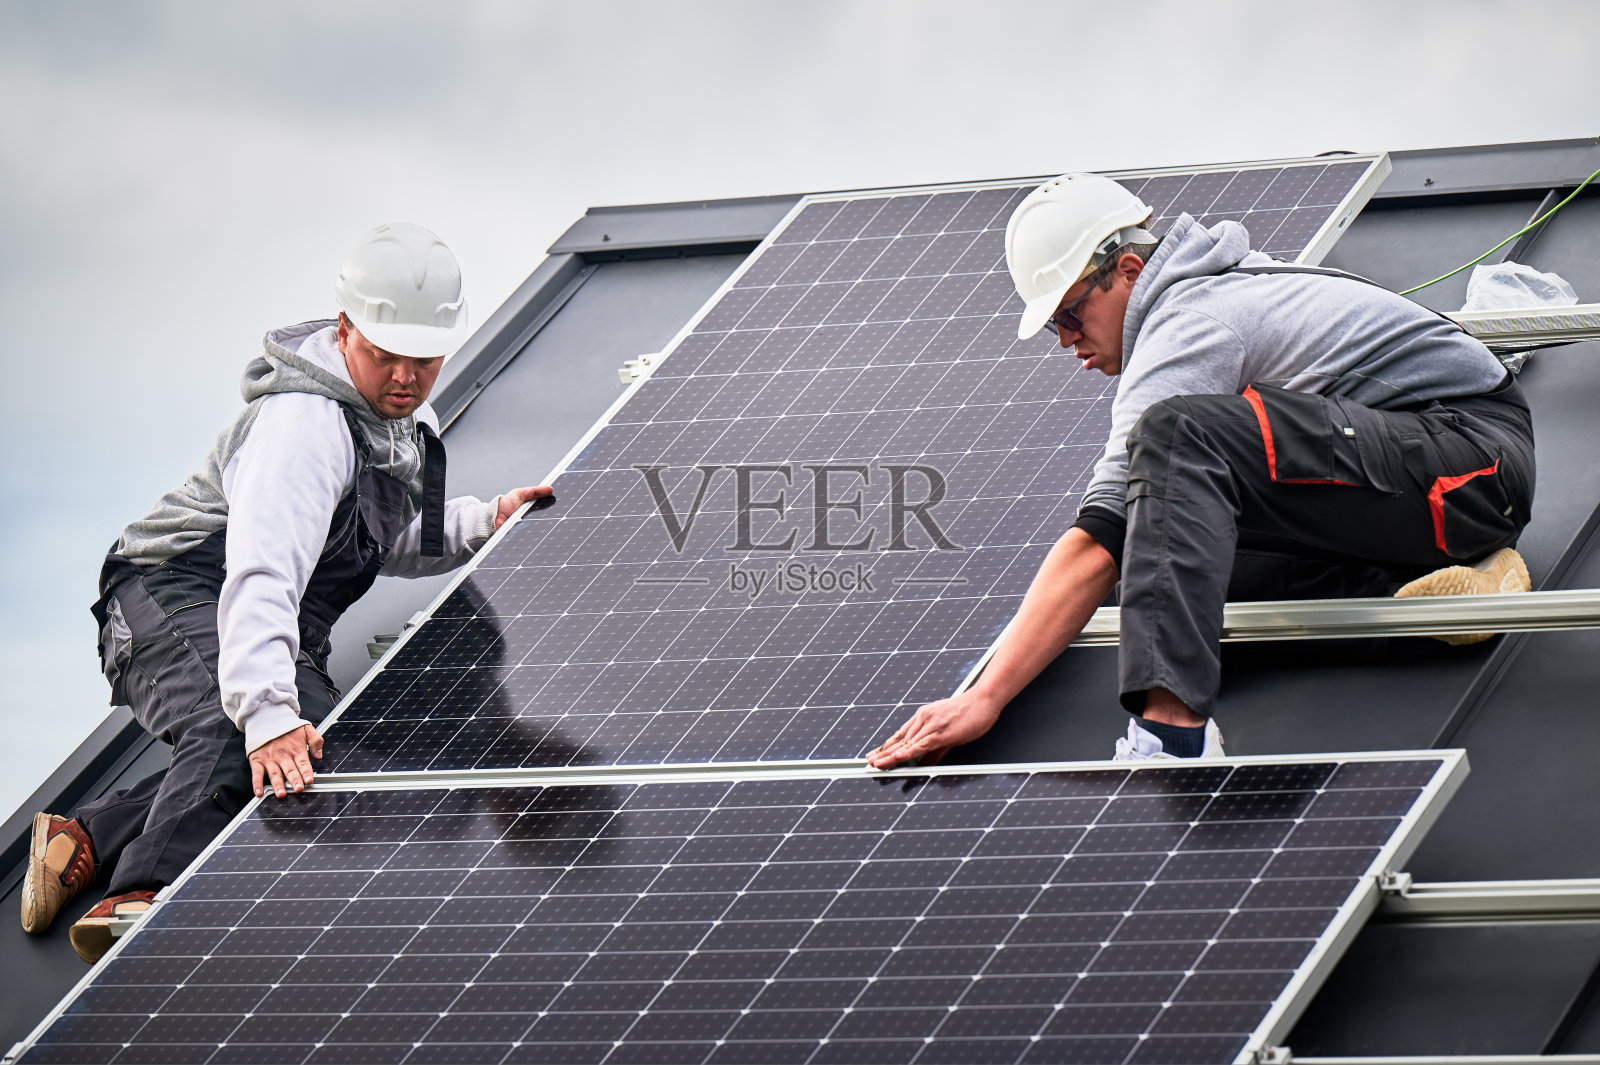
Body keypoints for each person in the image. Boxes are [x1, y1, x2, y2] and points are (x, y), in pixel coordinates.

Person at [868, 172, 1534, 770]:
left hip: (1471, 458)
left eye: (1071, 312)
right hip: (1406, 485)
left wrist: (985, 696)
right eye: (1052, 328)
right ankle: (1427, 590)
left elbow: (1104, 534)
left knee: (1174, 441)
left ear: (1127, 269)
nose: (1067, 337)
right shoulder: (1192, 300)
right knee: (1174, 575)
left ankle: (1172, 733)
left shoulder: (1192, 320)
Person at [22, 222, 552, 961]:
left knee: (304, 746)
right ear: (344, 331)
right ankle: (136, 898)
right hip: (169, 591)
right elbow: (263, 567)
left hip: (255, 614)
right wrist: (267, 708)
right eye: (384, 355)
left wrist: (483, 518)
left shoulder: (412, 428)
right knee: (238, 718)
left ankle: (87, 835)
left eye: (423, 359)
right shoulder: (306, 424)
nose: (405, 376)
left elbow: (391, 537)